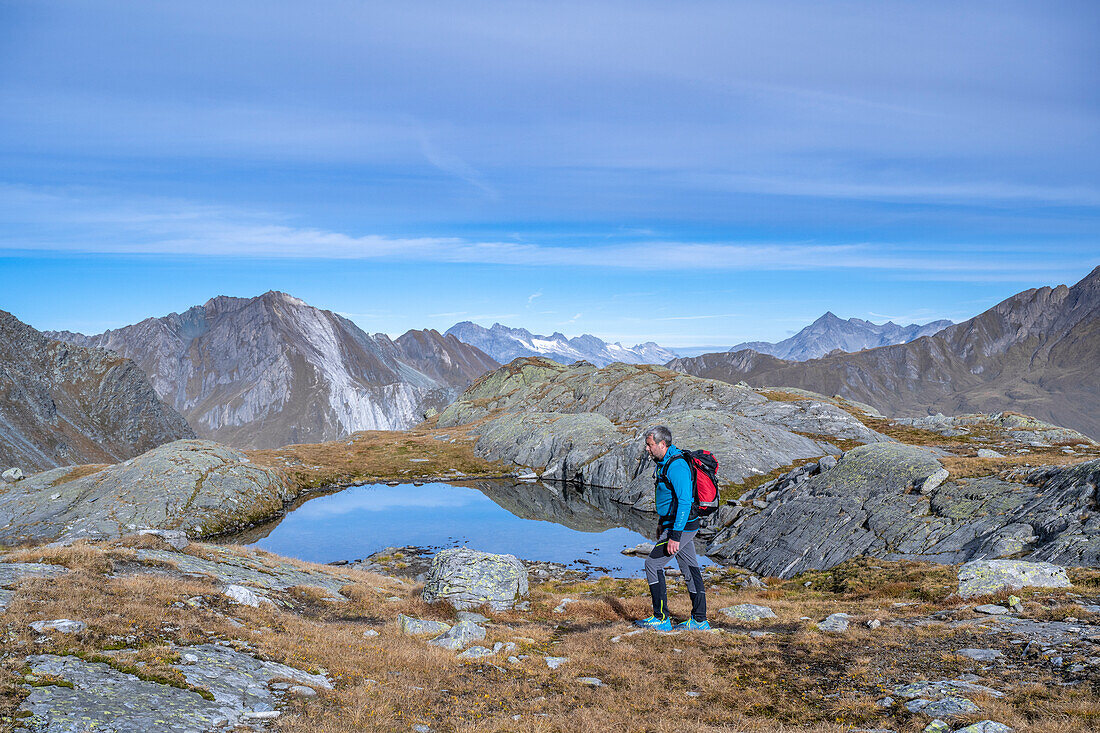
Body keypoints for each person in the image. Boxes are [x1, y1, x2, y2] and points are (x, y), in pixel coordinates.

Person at [634, 425, 710, 630]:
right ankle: (699, 621)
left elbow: (685, 502)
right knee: (690, 568)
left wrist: (675, 535)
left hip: (682, 527)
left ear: (662, 444)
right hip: (676, 524)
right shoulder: (664, 461)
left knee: (652, 565)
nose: (647, 449)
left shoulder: (676, 466)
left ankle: (661, 619)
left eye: (649, 445)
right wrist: (661, 523)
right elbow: (669, 498)